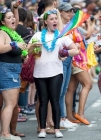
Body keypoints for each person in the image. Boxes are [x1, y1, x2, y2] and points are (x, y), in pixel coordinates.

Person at [29, 9, 79, 138]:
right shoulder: (37, 36)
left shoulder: (61, 36)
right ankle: (43, 129)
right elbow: (27, 53)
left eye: (56, 18)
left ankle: (57, 129)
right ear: (46, 22)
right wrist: (32, 47)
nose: (54, 21)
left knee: (55, 100)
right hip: (39, 73)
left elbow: (75, 50)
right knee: (43, 101)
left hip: (56, 72)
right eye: (51, 19)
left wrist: (65, 53)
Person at [0, 0, 26, 140]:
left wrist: (15, 9)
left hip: (12, 70)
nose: (13, 19)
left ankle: (5, 133)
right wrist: (14, 44)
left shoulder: (12, 32)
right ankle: (5, 134)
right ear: (2, 22)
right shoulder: (2, 33)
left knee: (12, 104)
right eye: (9, 18)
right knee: (10, 104)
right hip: (6, 70)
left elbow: (16, 20)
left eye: (13, 17)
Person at [59, 3, 92, 126]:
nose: (71, 14)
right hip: (75, 60)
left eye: (72, 11)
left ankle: (69, 115)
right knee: (88, 84)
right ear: (60, 12)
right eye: (67, 11)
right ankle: (80, 113)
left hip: (77, 59)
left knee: (71, 89)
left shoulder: (71, 25)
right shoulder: (64, 28)